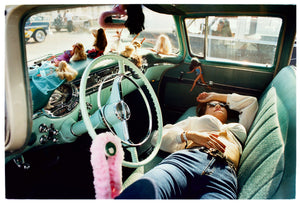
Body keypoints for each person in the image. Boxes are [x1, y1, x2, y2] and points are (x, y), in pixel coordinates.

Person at [116, 92, 258, 199]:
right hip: (185, 161)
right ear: (203, 112)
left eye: (222, 105)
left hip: (224, 173)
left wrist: (214, 96)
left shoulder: (239, 126)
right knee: (144, 191)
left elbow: (251, 102)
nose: (218, 106)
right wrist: (188, 135)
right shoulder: (194, 121)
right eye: (212, 105)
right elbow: (156, 137)